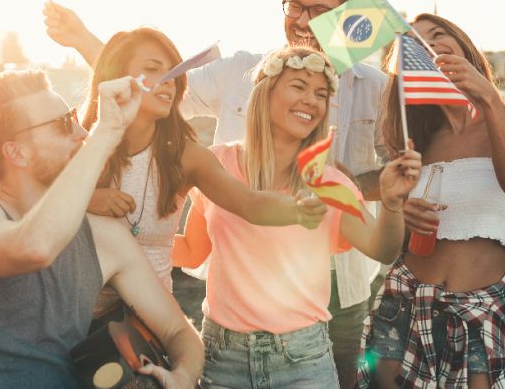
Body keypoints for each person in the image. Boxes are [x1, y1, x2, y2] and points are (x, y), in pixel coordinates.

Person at [45, 0, 392, 388]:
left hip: (337, 283)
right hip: (237, 290)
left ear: (346, 14)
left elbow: (395, 166)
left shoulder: (376, 86)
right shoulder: (243, 71)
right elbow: (161, 89)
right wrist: (84, 40)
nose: (303, 21)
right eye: (294, 6)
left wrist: (341, 188)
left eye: (319, 12)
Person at [170, 46, 420, 388]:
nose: (312, 100)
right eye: (299, 86)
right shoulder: (217, 165)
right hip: (221, 358)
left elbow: (382, 249)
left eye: (321, 94)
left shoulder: (330, 182)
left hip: (301, 363)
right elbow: (191, 250)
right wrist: (127, 237)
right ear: (264, 92)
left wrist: (392, 204)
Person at [0, 70, 203, 388]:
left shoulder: (104, 235)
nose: (81, 132)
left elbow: (178, 331)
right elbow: (35, 247)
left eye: (73, 117)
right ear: (16, 152)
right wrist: (107, 132)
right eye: (63, 124)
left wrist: (183, 377)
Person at [78, 27, 328, 316]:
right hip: (72, 319)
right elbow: (29, 210)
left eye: (174, 71)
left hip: (149, 326)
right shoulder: (74, 144)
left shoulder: (188, 156)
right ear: (117, 76)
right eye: (152, 68)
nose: (168, 80)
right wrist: (86, 200)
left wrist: (297, 209)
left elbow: (249, 203)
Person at [357, 14, 505, 389]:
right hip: (404, 300)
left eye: (439, 36)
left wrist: (488, 98)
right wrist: (401, 211)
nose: (430, 46)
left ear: (465, 48)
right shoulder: (420, 139)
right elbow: (378, 196)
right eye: (417, 45)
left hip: (477, 310)